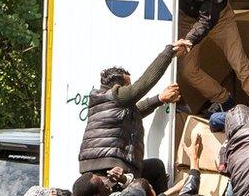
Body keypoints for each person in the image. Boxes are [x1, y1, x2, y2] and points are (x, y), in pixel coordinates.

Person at [78, 44, 184, 176]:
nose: (130, 88)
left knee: (156, 168)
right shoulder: (117, 95)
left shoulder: (105, 101)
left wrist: (159, 99)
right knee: (152, 173)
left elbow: (135, 112)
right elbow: (144, 84)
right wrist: (169, 53)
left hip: (101, 162)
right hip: (110, 164)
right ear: (117, 86)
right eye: (128, 85)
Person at [175, 0, 249, 114]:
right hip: (188, 19)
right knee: (187, 70)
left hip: (219, 18)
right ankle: (223, 100)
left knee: (240, 64)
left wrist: (190, 39)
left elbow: (208, 19)